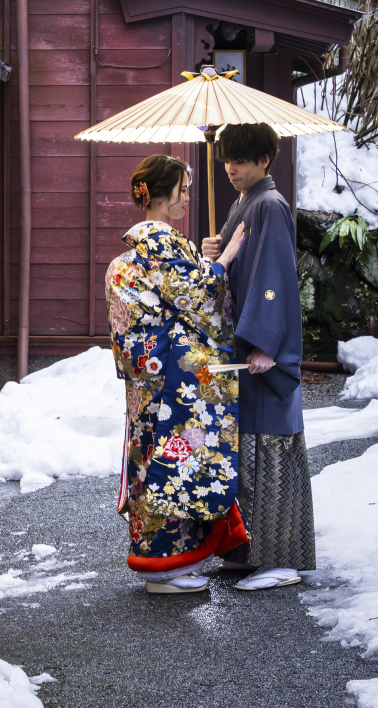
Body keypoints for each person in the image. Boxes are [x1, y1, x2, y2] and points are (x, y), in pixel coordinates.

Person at [106, 153, 248, 595]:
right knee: (166, 461)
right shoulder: (160, 242)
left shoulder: (149, 246)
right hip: (166, 378)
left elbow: (180, 288)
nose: (187, 196)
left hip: (149, 376)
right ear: (164, 197)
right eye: (183, 190)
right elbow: (200, 296)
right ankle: (161, 567)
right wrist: (223, 260)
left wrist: (203, 259)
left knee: (155, 458)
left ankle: (170, 562)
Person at [202, 122, 316, 592]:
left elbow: (275, 279)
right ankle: (249, 551)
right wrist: (214, 252)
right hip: (245, 347)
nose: (232, 169)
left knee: (269, 449)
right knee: (249, 451)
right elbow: (235, 265)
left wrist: (267, 344)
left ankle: (281, 560)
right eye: (228, 160)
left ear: (266, 160)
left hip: (261, 352)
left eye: (242, 160)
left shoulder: (269, 203)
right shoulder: (246, 201)